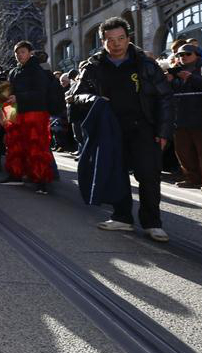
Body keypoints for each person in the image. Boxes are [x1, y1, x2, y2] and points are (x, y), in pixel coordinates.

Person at [70, 17, 173, 242]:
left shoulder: (146, 65)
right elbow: (75, 95)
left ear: (128, 38)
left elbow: (164, 97)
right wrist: (93, 99)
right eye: (110, 40)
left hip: (143, 127)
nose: (116, 44)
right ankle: (122, 217)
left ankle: (152, 222)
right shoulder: (94, 66)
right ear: (103, 42)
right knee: (116, 174)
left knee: (149, 175)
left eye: (121, 38)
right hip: (110, 130)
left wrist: (164, 131)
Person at [1, 41, 58, 194]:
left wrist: (17, 97)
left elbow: (40, 93)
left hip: (35, 112)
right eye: (17, 53)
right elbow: (10, 91)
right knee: (16, 145)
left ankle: (41, 181)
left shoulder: (37, 70)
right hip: (17, 112)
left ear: (30, 53)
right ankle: (16, 174)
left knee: (36, 147)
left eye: (23, 52)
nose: (20, 55)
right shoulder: (14, 72)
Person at [168, 44, 202, 192]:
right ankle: (191, 178)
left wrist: (190, 78)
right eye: (180, 55)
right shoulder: (175, 71)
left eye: (187, 54)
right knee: (183, 151)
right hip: (180, 117)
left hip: (201, 116)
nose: (183, 57)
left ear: (197, 54)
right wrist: (169, 81)